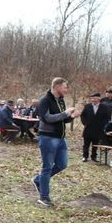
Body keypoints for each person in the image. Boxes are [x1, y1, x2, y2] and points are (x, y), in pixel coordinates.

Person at [31, 77, 79, 207]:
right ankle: (44, 197)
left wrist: (71, 117)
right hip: (48, 138)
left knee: (62, 164)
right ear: (57, 87)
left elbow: (62, 120)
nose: (66, 89)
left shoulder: (61, 100)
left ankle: (38, 180)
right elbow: (46, 118)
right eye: (64, 87)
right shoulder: (44, 100)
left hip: (61, 138)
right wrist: (65, 114)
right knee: (47, 167)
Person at [80, 92, 110, 162]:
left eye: (94, 98)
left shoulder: (104, 107)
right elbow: (82, 115)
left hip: (98, 129)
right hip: (88, 128)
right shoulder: (88, 106)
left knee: (95, 144)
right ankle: (85, 156)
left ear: (99, 99)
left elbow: (106, 118)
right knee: (86, 144)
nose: (92, 100)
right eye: (92, 98)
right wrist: (85, 123)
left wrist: (102, 125)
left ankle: (94, 157)